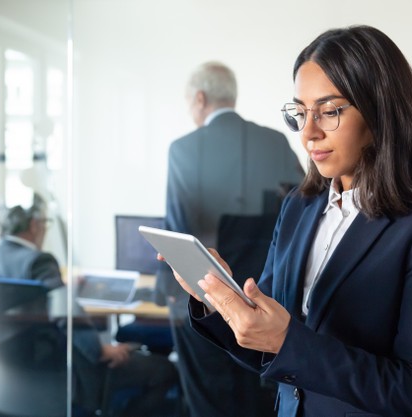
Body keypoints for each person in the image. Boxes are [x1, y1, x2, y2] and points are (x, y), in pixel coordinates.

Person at [168, 26, 412, 417]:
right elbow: (269, 352)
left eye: (329, 111)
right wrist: (219, 301)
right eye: (300, 113)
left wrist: (288, 341)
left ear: (380, 111)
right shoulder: (299, 208)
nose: (308, 134)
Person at [154, 61, 304, 416]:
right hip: (265, 303)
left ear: (201, 98)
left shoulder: (183, 150)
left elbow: (178, 229)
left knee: (207, 402)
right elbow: (301, 212)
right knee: (255, 399)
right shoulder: (276, 141)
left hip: (206, 302)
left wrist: (167, 295)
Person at [0, 192, 178, 417]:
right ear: (34, 225)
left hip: (14, 368)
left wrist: (62, 287)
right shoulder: (39, 261)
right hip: (66, 370)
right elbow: (65, 313)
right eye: (45, 223)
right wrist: (100, 350)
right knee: (165, 370)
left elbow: (27, 303)